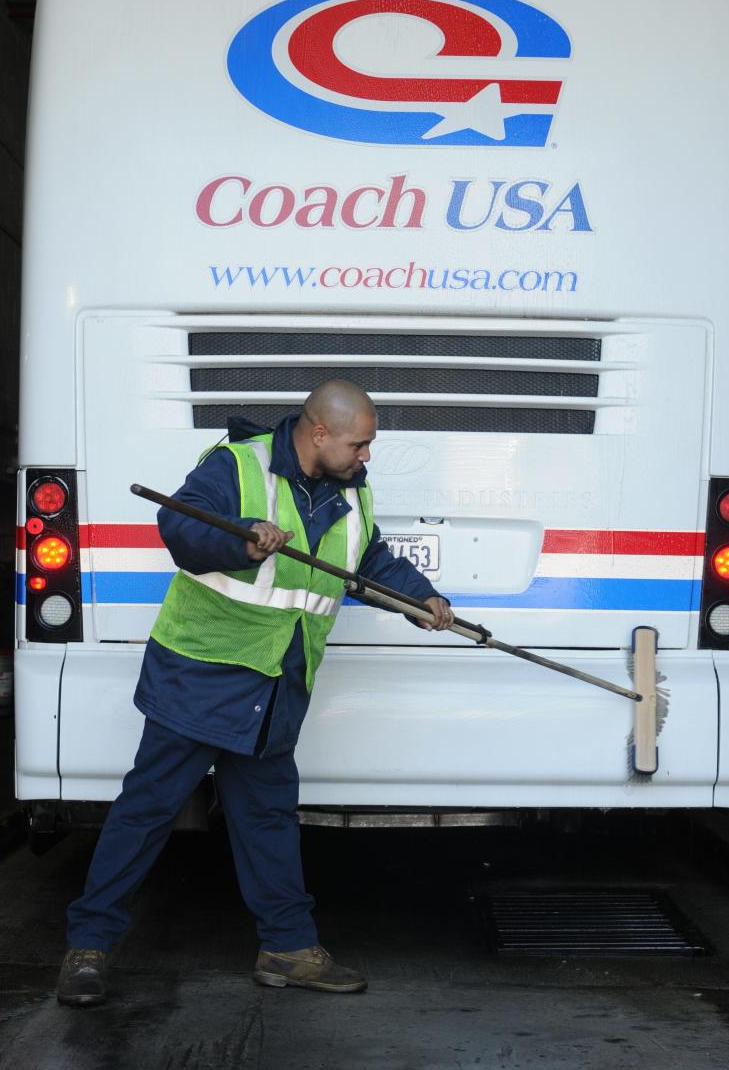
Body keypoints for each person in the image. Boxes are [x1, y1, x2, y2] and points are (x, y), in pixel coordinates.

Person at [56, 380, 453, 1005]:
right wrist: (241, 538)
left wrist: (419, 598)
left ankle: (289, 950)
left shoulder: (350, 490)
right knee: (146, 812)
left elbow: (366, 560)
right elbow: (181, 529)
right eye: (359, 443)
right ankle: (88, 949)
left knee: (268, 818)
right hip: (202, 673)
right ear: (318, 432)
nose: (366, 456)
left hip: (278, 679)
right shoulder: (237, 464)